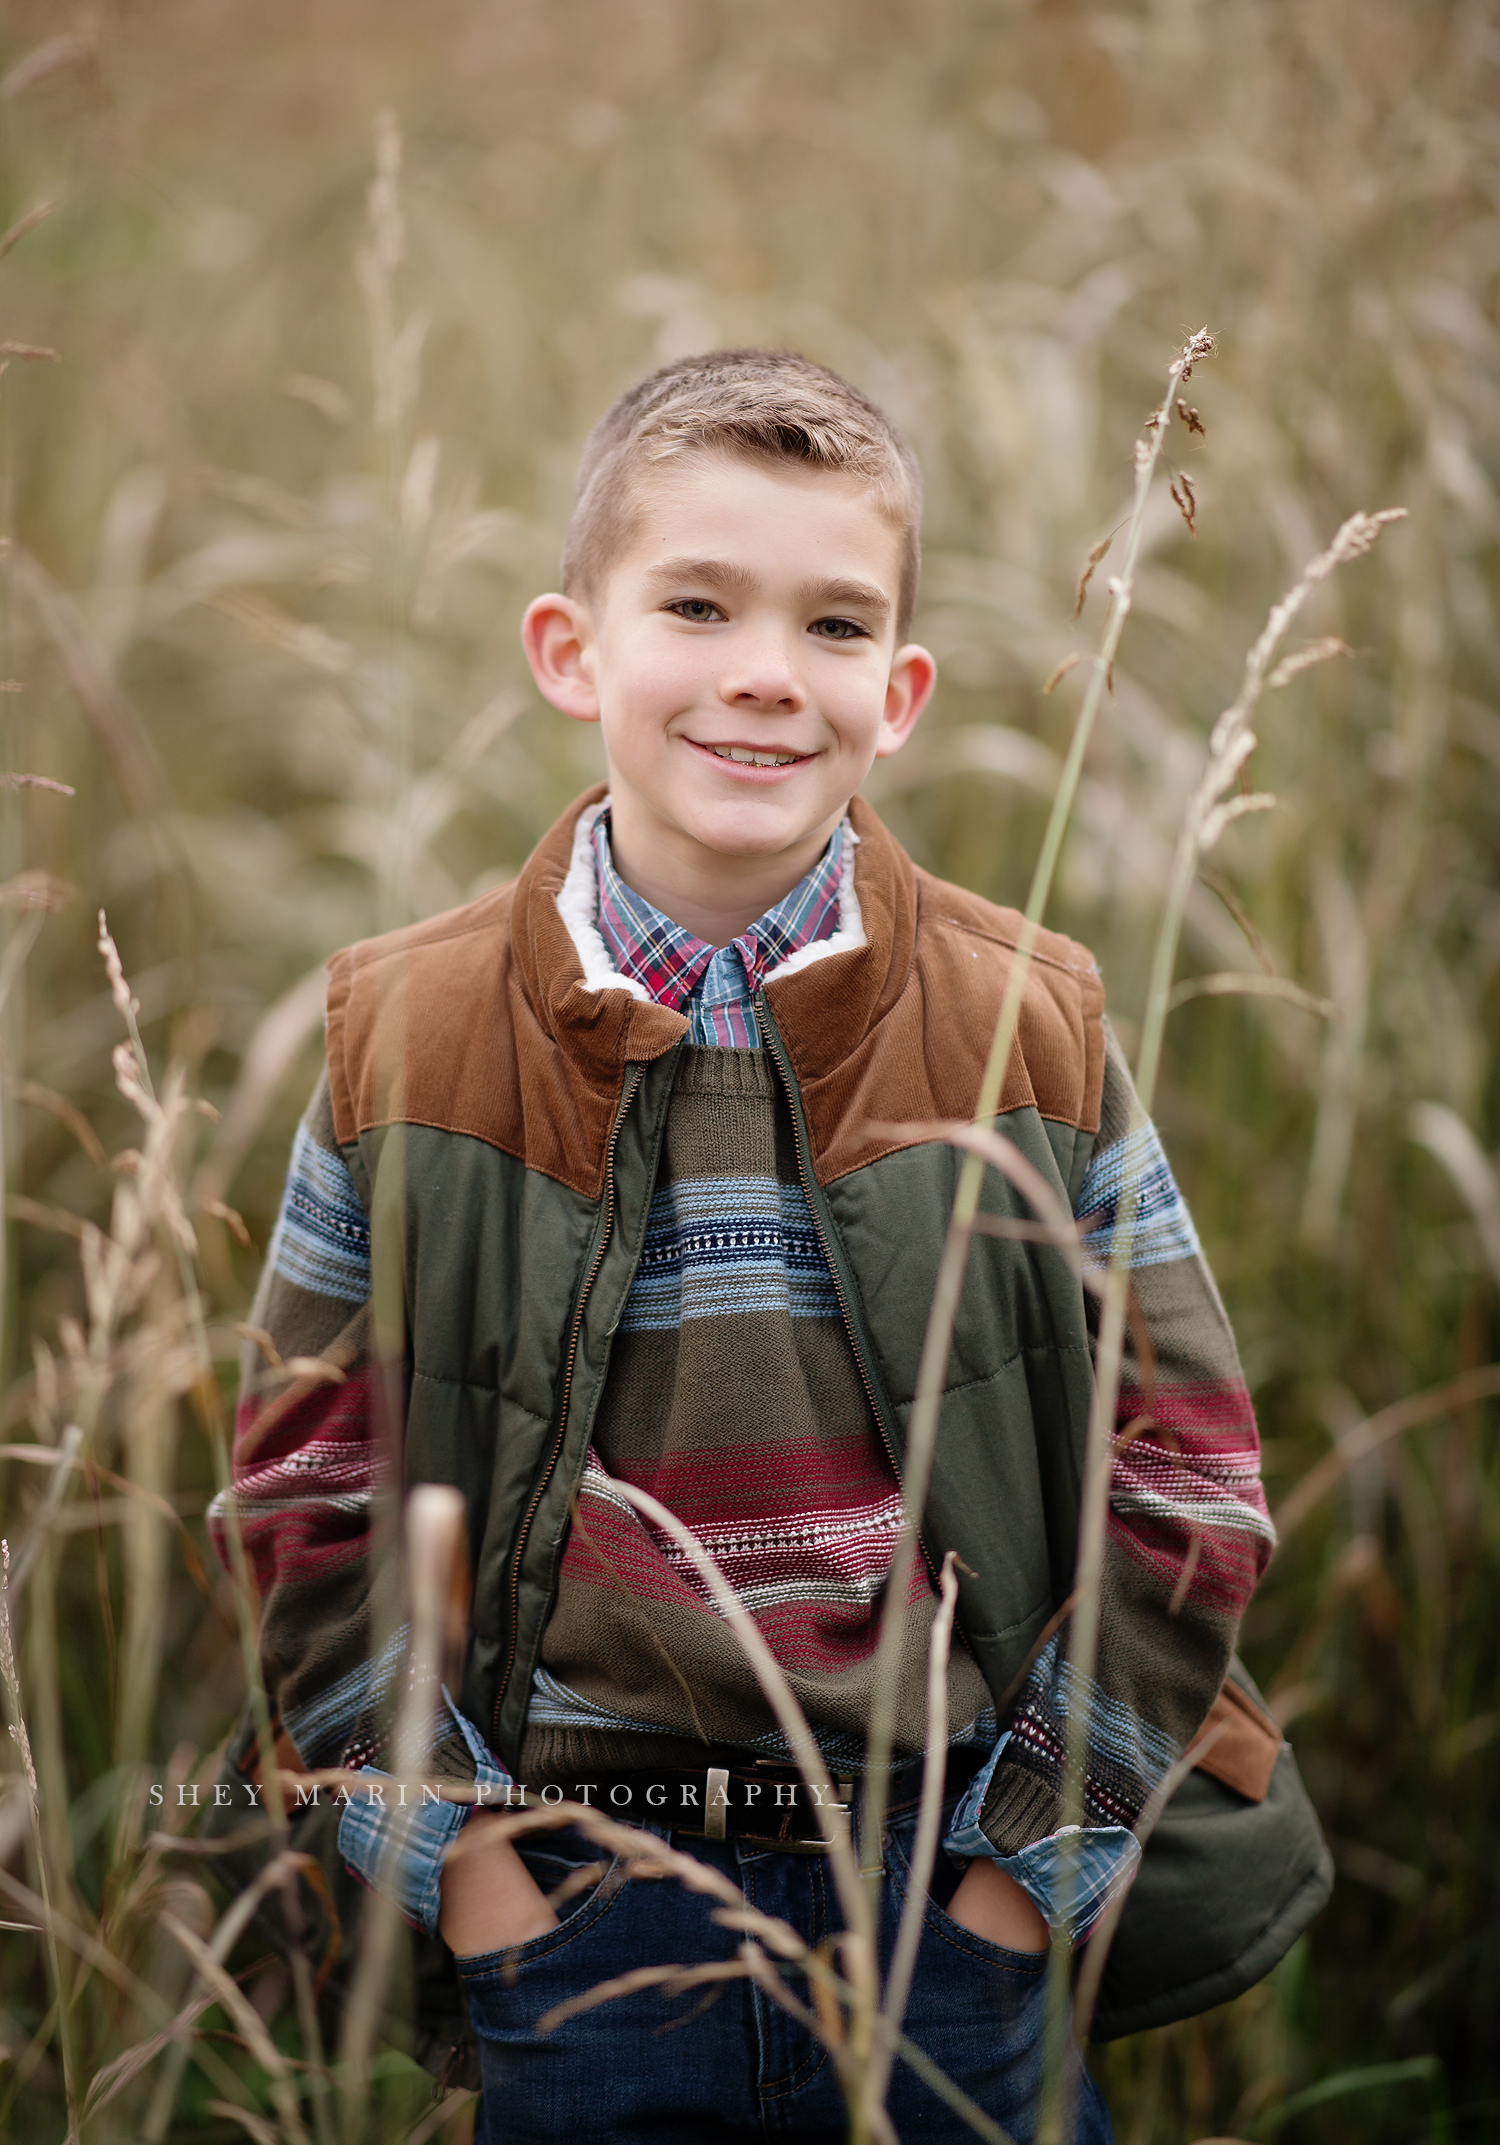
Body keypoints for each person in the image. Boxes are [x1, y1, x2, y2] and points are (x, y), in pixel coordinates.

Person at [209, 350, 1322, 2142]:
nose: (760, 672)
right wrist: (464, 1863)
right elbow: (299, 1492)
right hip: (580, 1914)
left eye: (830, 625)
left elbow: (1190, 1472)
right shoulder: (405, 1041)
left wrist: (1021, 1878)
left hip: (946, 1890)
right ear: (572, 648)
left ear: (901, 691)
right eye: (699, 603)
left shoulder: (1021, 1025)